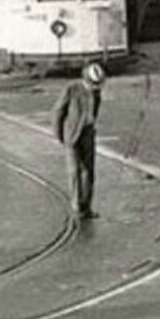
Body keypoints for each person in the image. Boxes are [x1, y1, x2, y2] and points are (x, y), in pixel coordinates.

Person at [52, 62, 105, 222]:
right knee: (74, 171)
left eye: (97, 85)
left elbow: (95, 110)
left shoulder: (97, 93)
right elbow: (58, 111)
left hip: (88, 133)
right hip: (72, 134)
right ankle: (76, 207)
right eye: (92, 84)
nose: (94, 88)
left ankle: (86, 206)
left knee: (88, 171)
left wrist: (92, 125)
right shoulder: (72, 89)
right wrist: (59, 134)